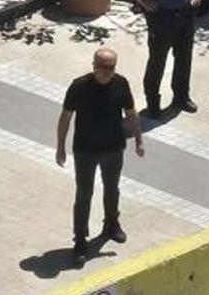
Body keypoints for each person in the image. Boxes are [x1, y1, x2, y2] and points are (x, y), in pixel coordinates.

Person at [56, 47, 144, 263]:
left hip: (113, 148)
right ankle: (80, 240)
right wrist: (60, 146)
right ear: (93, 65)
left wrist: (139, 140)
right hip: (85, 150)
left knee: (112, 188)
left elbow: (131, 114)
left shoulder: (121, 84)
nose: (106, 72)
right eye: (102, 67)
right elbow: (65, 117)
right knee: (84, 194)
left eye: (110, 68)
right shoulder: (80, 86)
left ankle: (112, 224)